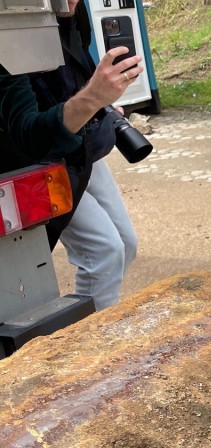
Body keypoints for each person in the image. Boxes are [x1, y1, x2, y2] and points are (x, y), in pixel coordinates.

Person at [0, 0, 140, 310]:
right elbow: (28, 134)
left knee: (126, 243)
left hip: (81, 145)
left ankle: (92, 329)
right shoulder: (7, 24)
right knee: (104, 252)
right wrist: (91, 97)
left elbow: (75, 67)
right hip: (35, 158)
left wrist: (101, 100)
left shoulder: (70, 9)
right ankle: (89, 349)